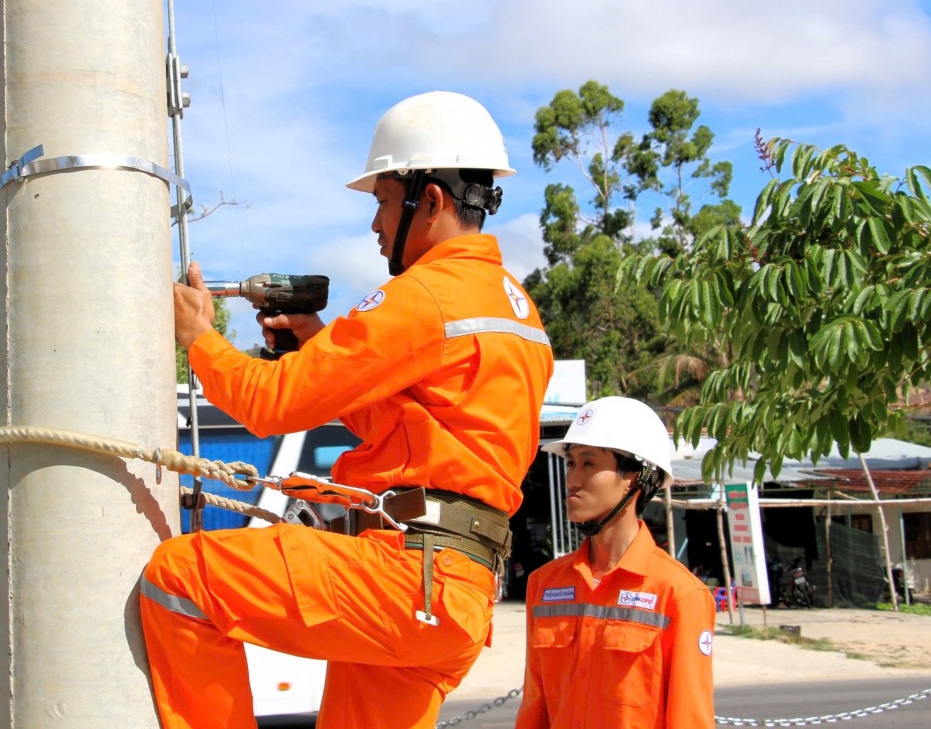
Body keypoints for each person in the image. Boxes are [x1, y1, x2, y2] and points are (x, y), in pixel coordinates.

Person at [139, 91, 555, 729]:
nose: (376, 223)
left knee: (181, 578)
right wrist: (312, 341)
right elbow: (418, 431)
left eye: (384, 200)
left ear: (432, 201)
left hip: (407, 576)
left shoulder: (423, 297)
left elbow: (268, 403)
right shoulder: (517, 310)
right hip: (457, 594)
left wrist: (200, 337)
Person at [515, 396, 715, 729]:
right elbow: (535, 710)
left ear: (636, 476)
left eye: (588, 463)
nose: (572, 479)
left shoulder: (679, 594)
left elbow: (690, 720)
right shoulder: (544, 585)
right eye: (571, 463)